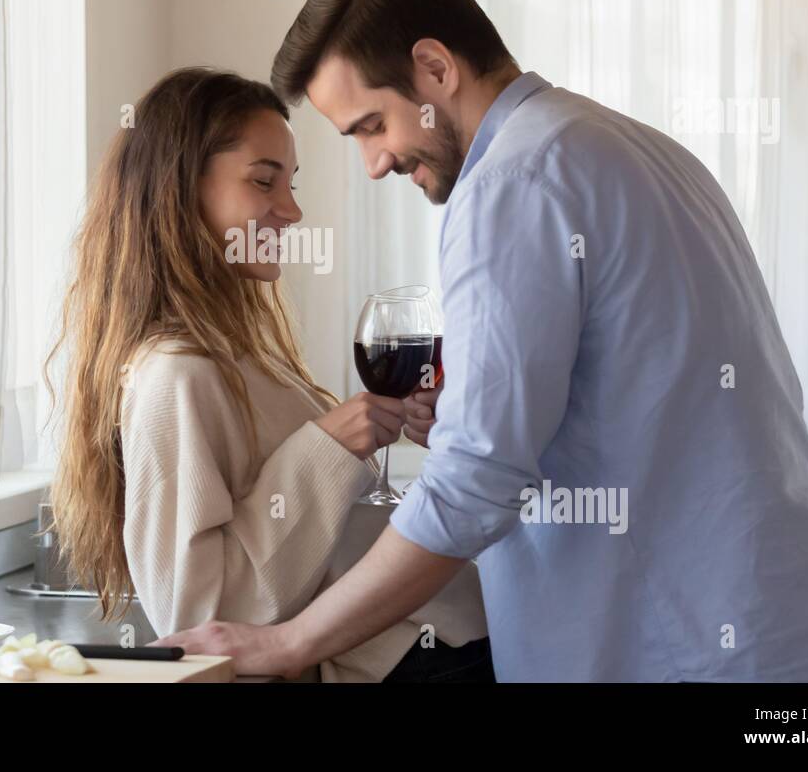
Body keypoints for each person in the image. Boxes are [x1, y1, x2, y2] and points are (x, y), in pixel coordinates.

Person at [150, 0, 808, 682]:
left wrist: (288, 643)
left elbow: (472, 487)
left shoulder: (513, 184)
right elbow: (654, 391)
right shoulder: (629, 144)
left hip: (702, 654)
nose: (375, 163)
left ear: (433, 66)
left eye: (371, 126)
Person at [44, 66, 491, 682]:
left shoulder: (239, 352)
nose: (292, 210)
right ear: (180, 190)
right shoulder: (176, 374)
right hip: (412, 663)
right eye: (264, 182)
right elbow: (201, 613)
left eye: (291, 183)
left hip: (444, 640)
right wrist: (328, 447)